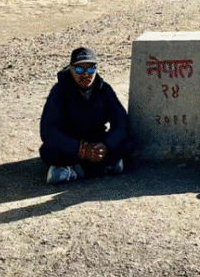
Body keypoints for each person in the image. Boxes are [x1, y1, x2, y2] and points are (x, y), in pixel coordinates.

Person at [39, 46, 137, 184]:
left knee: (129, 142)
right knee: (49, 152)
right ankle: (104, 167)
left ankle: (73, 172)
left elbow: (121, 122)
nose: (86, 74)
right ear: (71, 69)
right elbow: (48, 131)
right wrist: (81, 149)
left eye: (90, 69)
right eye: (80, 69)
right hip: (72, 144)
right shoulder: (59, 91)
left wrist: (105, 145)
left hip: (97, 142)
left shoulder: (104, 89)